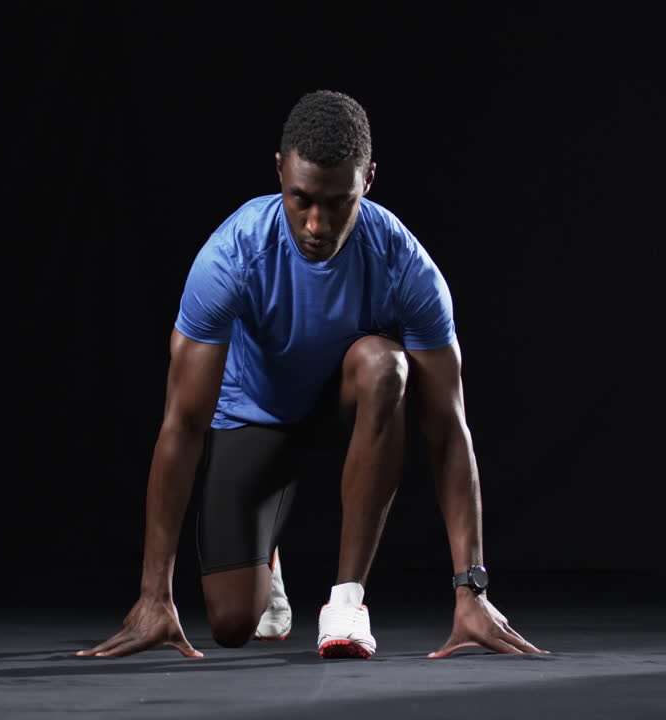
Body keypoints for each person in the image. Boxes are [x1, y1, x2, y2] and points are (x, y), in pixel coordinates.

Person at [79, 90, 546, 660]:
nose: (317, 224)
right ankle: (264, 556)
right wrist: (154, 594)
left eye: (337, 202)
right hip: (257, 417)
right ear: (279, 171)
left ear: (368, 180)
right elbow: (181, 424)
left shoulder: (404, 264)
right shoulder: (232, 255)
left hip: (342, 405)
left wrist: (472, 589)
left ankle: (346, 603)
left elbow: (449, 430)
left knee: (385, 364)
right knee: (231, 624)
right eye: (300, 199)